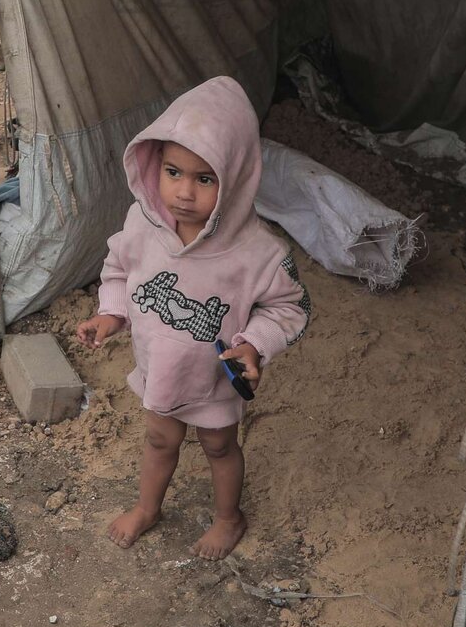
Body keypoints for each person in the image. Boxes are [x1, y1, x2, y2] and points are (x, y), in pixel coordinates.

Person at [74, 76, 310, 560]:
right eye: (173, 172)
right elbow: (118, 269)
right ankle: (147, 507)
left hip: (214, 381)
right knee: (159, 440)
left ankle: (228, 518)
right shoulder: (142, 224)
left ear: (236, 178)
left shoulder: (258, 253)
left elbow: (291, 307)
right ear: (153, 163)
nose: (184, 192)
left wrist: (254, 344)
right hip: (160, 369)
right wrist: (111, 313)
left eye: (205, 179)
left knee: (219, 447)